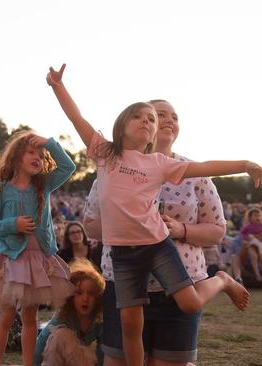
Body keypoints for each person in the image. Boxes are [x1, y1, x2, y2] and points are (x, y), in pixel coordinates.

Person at [47, 64, 262, 366]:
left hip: (157, 245)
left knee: (189, 303)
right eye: (139, 115)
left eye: (151, 119)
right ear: (120, 124)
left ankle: (222, 280)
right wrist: (58, 86)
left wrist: (245, 163)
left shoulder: (160, 164)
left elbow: (205, 167)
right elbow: (76, 118)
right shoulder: (105, 153)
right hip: (123, 255)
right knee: (130, 325)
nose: (147, 121)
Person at [84, 98, 233, 366]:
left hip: (178, 283)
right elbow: (91, 224)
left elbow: (217, 231)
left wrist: (181, 229)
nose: (167, 120)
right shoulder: (112, 167)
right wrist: (134, 226)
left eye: (173, 117)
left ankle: (221, 280)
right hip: (123, 278)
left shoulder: (195, 174)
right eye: (158, 114)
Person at [0, 131, 76, 366]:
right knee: (5, 317)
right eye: (31, 152)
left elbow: (68, 167)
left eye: (41, 154)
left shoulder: (43, 186)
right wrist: (13, 225)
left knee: (30, 317)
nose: (38, 156)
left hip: (38, 259)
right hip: (12, 259)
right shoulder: (1, 189)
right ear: (16, 157)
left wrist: (49, 143)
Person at [34, 259, 104, 366]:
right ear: (70, 296)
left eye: (90, 293)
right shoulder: (63, 319)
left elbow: (104, 353)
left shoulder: (98, 322)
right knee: (62, 335)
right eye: (79, 293)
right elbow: (40, 345)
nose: (85, 298)